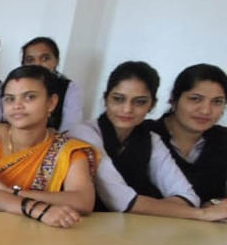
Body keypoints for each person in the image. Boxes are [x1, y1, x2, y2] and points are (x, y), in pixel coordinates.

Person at [69, 61, 224, 220]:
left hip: (129, 226)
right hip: (76, 224)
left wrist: (151, 208)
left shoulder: (151, 138)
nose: (127, 109)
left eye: (140, 102)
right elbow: (120, 200)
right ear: (106, 99)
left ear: (152, 105)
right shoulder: (83, 133)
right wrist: (202, 214)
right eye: (118, 99)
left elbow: (188, 197)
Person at [0, 64, 96, 228]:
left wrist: (13, 191)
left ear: (51, 103)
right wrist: (39, 210)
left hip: (35, 229)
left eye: (29, 97)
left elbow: (83, 201)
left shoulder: (67, 149)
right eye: (10, 99)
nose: (17, 106)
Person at [145, 63, 227, 206]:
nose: (206, 110)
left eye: (217, 102)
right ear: (174, 99)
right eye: (195, 99)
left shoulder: (223, 139)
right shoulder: (143, 134)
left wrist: (215, 203)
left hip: (208, 221)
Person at [0, 36, 83, 130]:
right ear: (23, 64)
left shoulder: (69, 88)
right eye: (30, 60)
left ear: (56, 61)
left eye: (45, 58)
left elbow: (70, 129)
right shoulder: (8, 87)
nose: (37, 64)